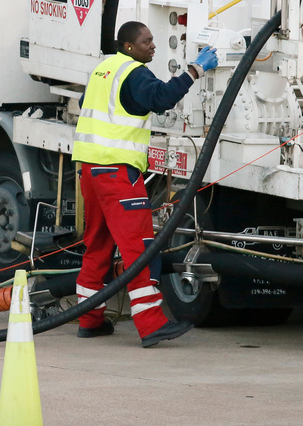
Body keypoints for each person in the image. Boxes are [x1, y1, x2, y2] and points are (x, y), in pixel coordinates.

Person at [71, 21, 218, 348]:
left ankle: (89, 319)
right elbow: (161, 97)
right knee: (139, 249)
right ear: (128, 46)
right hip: (117, 174)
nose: (152, 46)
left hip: (91, 170)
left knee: (97, 246)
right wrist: (195, 70)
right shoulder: (134, 72)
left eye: (152, 40)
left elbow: (87, 106)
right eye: (146, 41)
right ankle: (151, 324)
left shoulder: (103, 69)